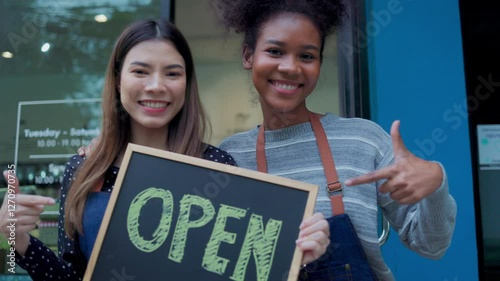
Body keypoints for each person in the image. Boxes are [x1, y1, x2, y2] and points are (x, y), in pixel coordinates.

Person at [0, 19, 329, 280]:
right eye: (140, 71)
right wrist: (20, 239)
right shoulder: (85, 169)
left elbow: (243, 270)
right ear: (118, 80)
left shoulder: (217, 166)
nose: (156, 86)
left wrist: (296, 258)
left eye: (172, 73)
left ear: (186, 83)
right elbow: (71, 275)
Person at [211, 0, 457, 280]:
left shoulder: (362, 140)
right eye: (275, 51)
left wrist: (436, 184)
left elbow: (431, 247)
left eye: (306, 56)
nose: (291, 67)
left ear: (319, 64)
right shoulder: (229, 156)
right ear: (248, 56)